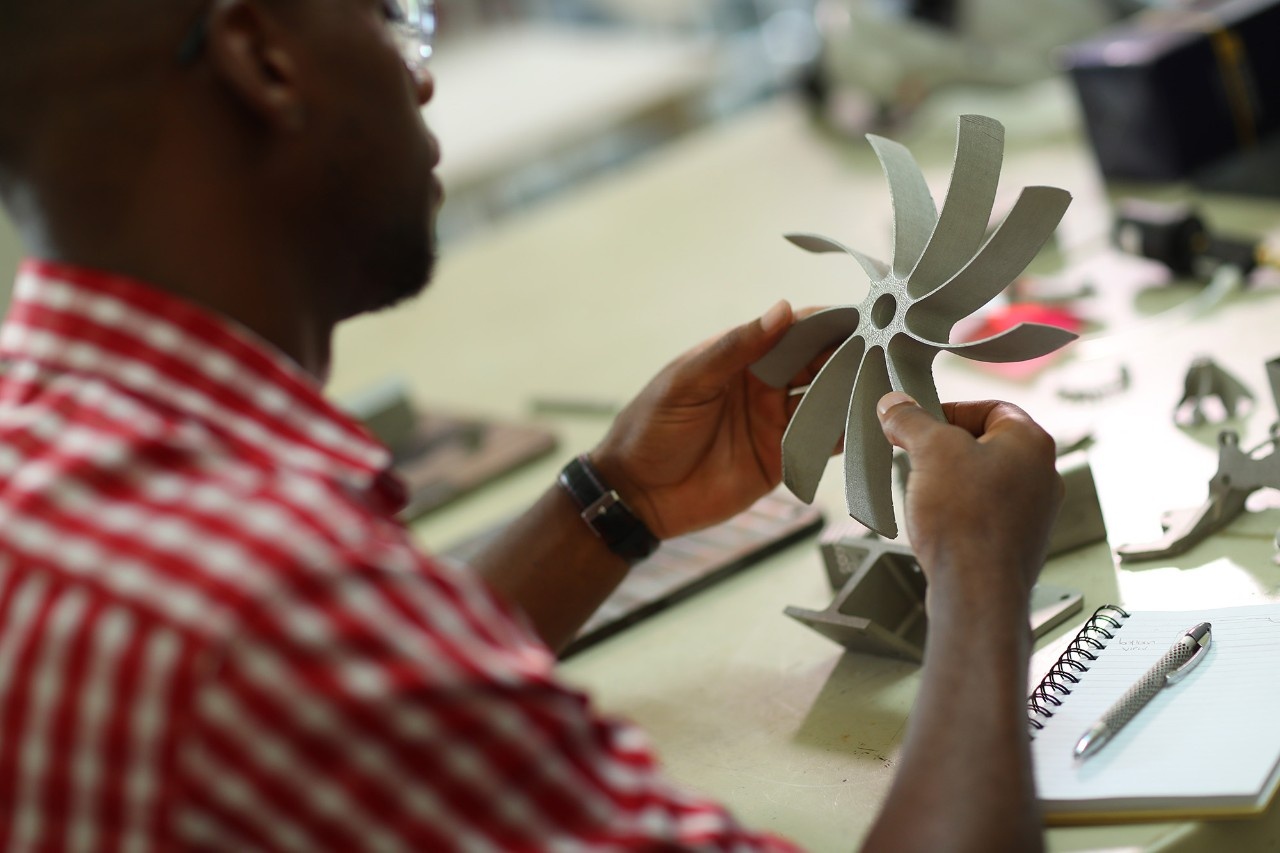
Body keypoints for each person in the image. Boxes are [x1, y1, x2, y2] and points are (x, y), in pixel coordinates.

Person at [0, 0, 1062, 850]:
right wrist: (976, 568)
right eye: (387, 14)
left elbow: (361, 718)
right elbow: (299, 655)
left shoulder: (52, 455)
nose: (419, 74)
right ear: (263, 60)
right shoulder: (261, 603)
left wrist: (615, 501)